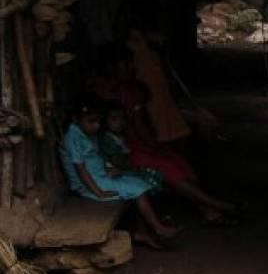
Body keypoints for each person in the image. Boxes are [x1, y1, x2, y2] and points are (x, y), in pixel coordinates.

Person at [92, 50, 243, 227]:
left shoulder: (118, 90)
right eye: (125, 64)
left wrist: (154, 146)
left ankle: (209, 208)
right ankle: (215, 206)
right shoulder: (112, 91)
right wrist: (154, 146)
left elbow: (140, 126)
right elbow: (138, 127)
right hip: (123, 149)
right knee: (169, 165)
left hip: (130, 144)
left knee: (175, 161)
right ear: (111, 67)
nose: (131, 68)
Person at [61, 96, 181, 248]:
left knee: (140, 182)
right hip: (91, 184)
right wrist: (98, 192)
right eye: (92, 121)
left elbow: (96, 157)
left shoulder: (85, 133)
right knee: (138, 190)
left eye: (98, 121)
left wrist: (109, 168)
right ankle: (159, 228)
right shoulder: (73, 138)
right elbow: (81, 169)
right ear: (75, 119)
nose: (97, 126)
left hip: (100, 176)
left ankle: (143, 231)